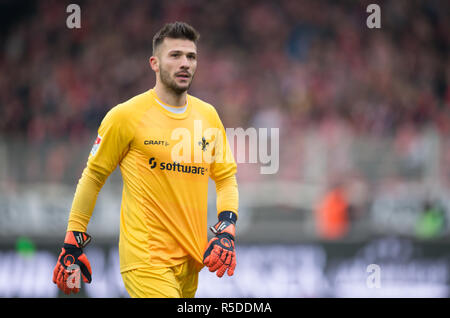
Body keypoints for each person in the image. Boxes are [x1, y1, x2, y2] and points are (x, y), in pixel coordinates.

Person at [52, 21, 239, 298]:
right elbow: (92, 177)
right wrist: (73, 241)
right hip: (146, 259)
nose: (185, 63)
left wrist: (226, 229)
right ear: (154, 62)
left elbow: (225, 178)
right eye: (175, 55)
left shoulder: (208, 115)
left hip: (191, 261)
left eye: (191, 56)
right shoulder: (125, 116)